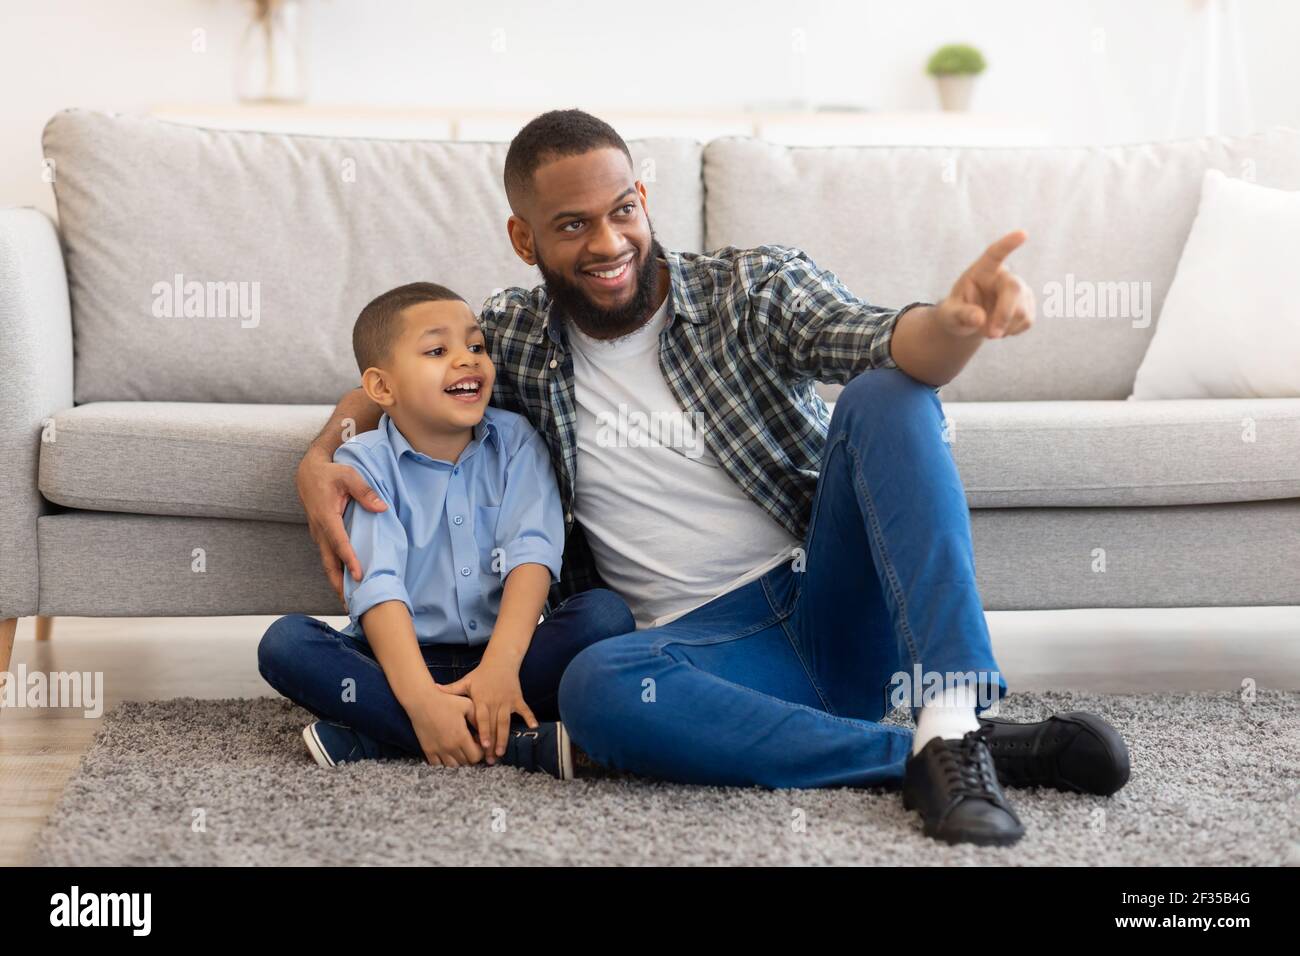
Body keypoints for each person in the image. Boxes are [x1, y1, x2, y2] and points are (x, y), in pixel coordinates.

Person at [295, 111, 1130, 846]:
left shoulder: (749, 288)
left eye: (623, 210)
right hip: (705, 658)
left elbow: (880, 338)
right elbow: (393, 380)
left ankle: (952, 716)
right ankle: (945, 758)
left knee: (891, 394)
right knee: (598, 685)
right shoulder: (511, 336)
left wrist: (953, 327)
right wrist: (322, 455)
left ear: (644, 198)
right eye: (573, 225)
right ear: (526, 240)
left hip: (828, 600)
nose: (609, 243)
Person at [259, 281, 634, 780]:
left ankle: (384, 736)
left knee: (605, 616)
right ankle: (513, 743)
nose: (467, 360)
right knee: (285, 644)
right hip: (400, 665)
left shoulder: (517, 442)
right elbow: (379, 584)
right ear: (382, 388)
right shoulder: (365, 463)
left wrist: (500, 667)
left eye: (476, 347)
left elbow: (532, 554)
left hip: (509, 656)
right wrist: (419, 698)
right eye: (438, 350)